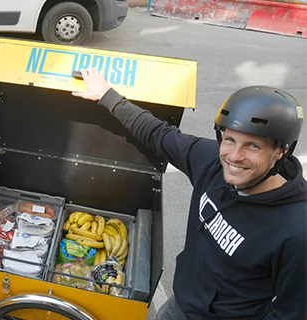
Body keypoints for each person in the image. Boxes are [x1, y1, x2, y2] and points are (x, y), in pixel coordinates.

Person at [72, 68, 306, 320]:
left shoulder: (296, 231)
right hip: (180, 306)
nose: (234, 157)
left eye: (253, 146)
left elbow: (291, 313)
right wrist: (108, 96)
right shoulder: (212, 163)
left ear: (280, 152)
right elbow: (159, 134)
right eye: (229, 140)